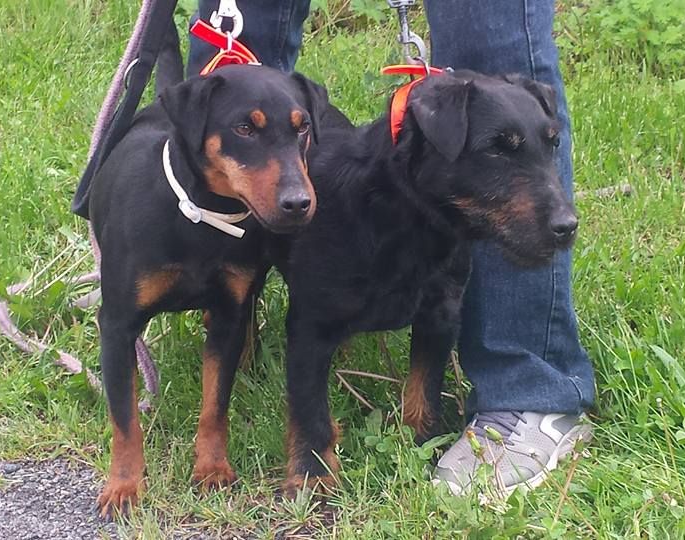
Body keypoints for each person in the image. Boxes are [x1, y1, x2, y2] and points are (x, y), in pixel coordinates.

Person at [188, 0, 595, 497]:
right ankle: (210, 295)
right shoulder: (344, 217)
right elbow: (310, 329)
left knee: (490, 30)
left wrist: (423, 423)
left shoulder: (457, 220)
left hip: (421, 196)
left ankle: (528, 391)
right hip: (350, 226)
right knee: (245, 37)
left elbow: (439, 317)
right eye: (500, 151)